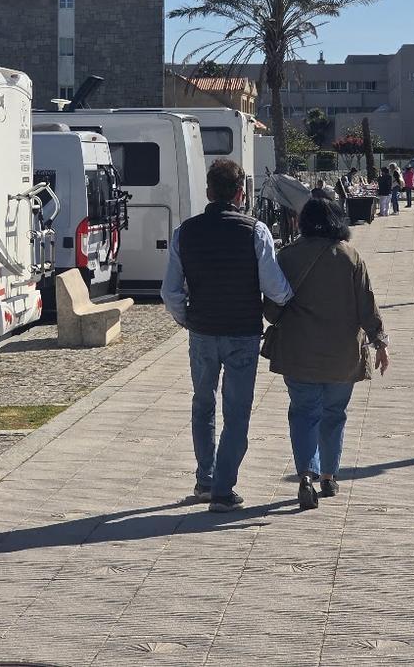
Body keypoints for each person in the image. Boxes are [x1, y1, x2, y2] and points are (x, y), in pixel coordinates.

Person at [161, 159, 294, 512]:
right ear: (241, 193)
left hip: (203, 331)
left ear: (208, 191)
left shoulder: (184, 233)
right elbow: (276, 289)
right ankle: (222, 487)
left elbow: (170, 292)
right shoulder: (256, 231)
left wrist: (186, 318)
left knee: (203, 404)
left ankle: (205, 479)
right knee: (237, 413)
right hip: (242, 332)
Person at [263, 198, 388, 510]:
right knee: (334, 415)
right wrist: (380, 341)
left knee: (304, 414)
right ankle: (330, 475)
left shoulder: (288, 256)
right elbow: (366, 305)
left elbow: (271, 309)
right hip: (342, 355)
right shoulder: (350, 257)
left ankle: (306, 474)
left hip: (298, 352)